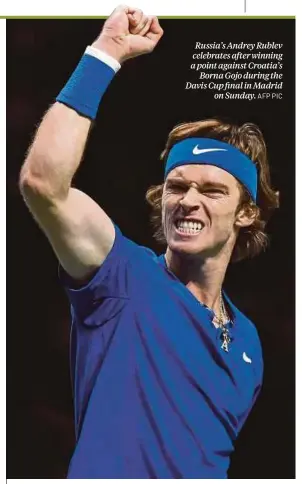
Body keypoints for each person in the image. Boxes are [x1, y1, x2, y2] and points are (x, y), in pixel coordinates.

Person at [19, 5, 279, 479]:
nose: (188, 201)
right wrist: (106, 52)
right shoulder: (122, 276)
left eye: (212, 190)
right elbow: (43, 182)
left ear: (246, 213)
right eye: (177, 187)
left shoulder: (250, 344)